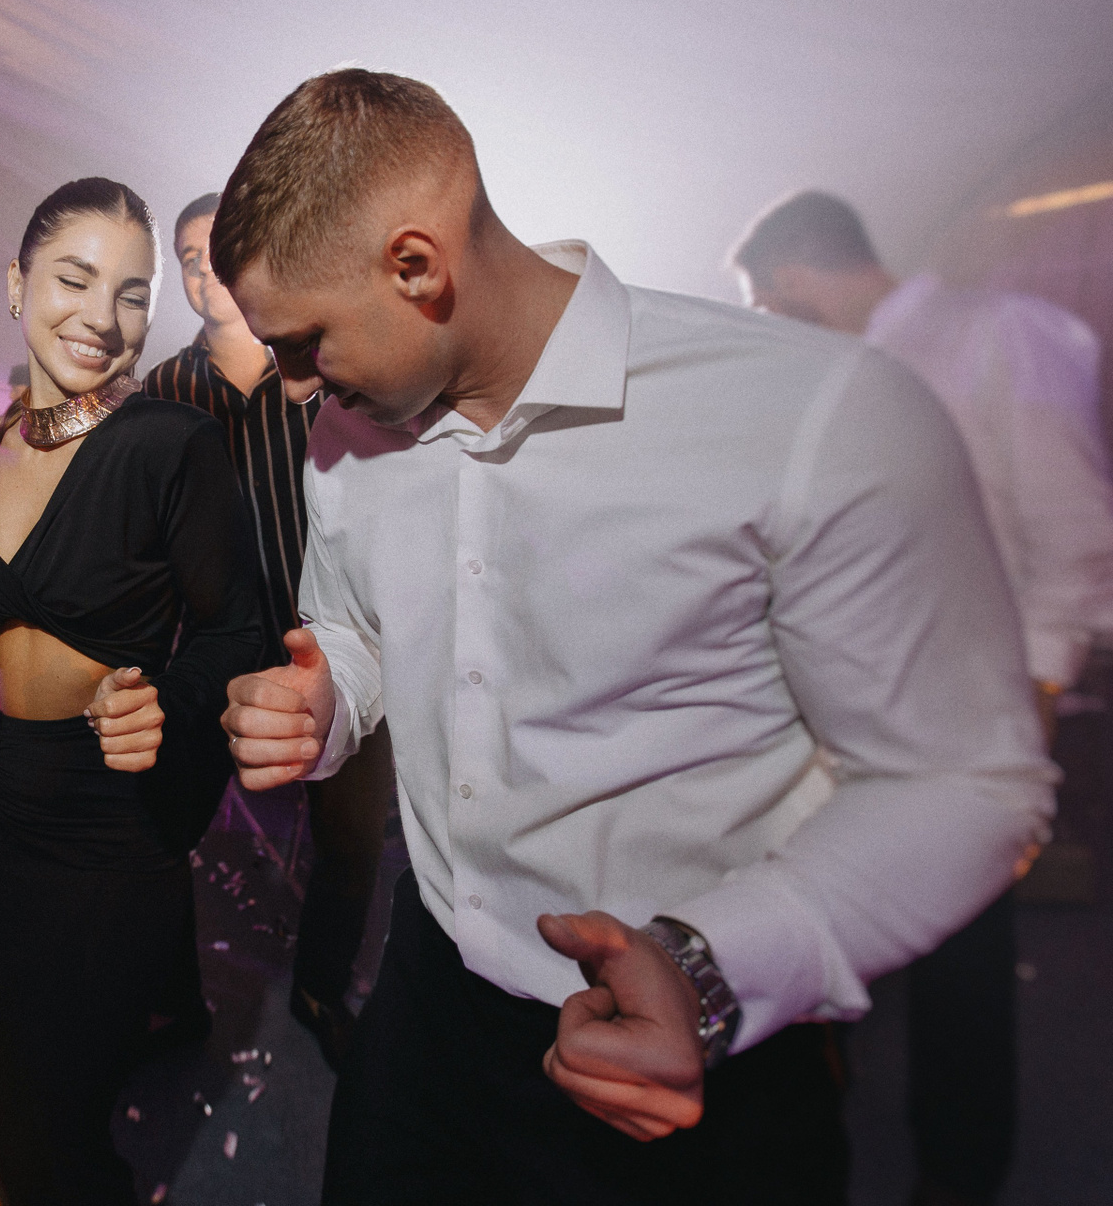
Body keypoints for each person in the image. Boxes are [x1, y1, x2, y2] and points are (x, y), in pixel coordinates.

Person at [215, 70, 1056, 1205]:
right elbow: (355, 627)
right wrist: (328, 699)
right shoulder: (344, 436)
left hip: (694, 1060)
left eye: (304, 340)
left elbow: (964, 780)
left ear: (416, 266)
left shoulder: (817, 414)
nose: (288, 382)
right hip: (426, 999)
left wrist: (711, 966)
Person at [0, 177, 263, 1204]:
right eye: (75, 279)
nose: (102, 315)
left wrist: (170, 703)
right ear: (17, 284)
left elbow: (238, 627)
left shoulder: (168, 444)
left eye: (131, 293)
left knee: (41, 1119)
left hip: (103, 824)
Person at [729, 188, 1113, 1206]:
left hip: (964, 713)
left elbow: (1077, 535)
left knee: (960, 976)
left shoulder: (1004, 331)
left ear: (795, 276)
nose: (765, 320)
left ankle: (956, 1177)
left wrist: (1033, 700)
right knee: (817, 934)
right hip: (829, 706)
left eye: (765, 300)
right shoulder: (829, 367)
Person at [145, 191, 397, 1067]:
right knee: (158, 824)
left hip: (334, 641)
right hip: (211, 644)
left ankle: (320, 988)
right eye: (186, 257)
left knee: (352, 839)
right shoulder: (166, 390)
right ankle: (174, 999)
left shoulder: (324, 366)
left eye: (215, 249)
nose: (202, 268)